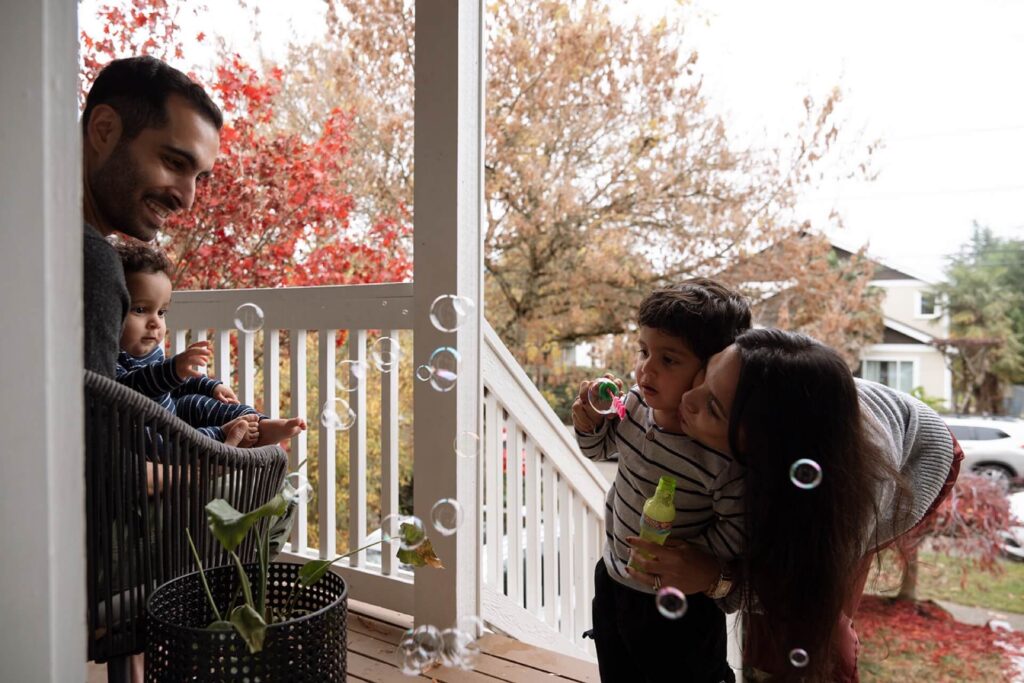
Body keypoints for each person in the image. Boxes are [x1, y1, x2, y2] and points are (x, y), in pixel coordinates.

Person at [629, 328, 962, 682]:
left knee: (816, 620)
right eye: (703, 375)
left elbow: (804, 585)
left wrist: (717, 578)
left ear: (764, 446)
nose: (686, 399)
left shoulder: (852, 497)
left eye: (712, 407)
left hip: (920, 456)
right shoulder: (749, 389)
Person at [571, 278, 751, 683]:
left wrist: (689, 558)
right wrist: (589, 425)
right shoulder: (633, 403)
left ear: (711, 370)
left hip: (680, 602)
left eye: (669, 360)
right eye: (644, 351)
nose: (646, 368)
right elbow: (600, 450)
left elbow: (738, 525)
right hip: (614, 577)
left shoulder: (717, 452)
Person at [83, 55, 222, 377]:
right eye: (174, 163)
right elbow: (93, 427)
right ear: (104, 131)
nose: (187, 200)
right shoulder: (88, 261)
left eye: (199, 178)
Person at [115, 242, 307, 447]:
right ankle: (224, 434)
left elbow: (178, 384)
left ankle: (260, 424)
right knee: (179, 440)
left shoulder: (151, 353)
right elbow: (129, 389)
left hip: (171, 415)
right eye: (140, 310)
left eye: (161, 312)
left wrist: (211, 386)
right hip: (148, 435)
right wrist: (172, 370)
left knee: (196, 402)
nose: (155, 322)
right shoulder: (110, 356)